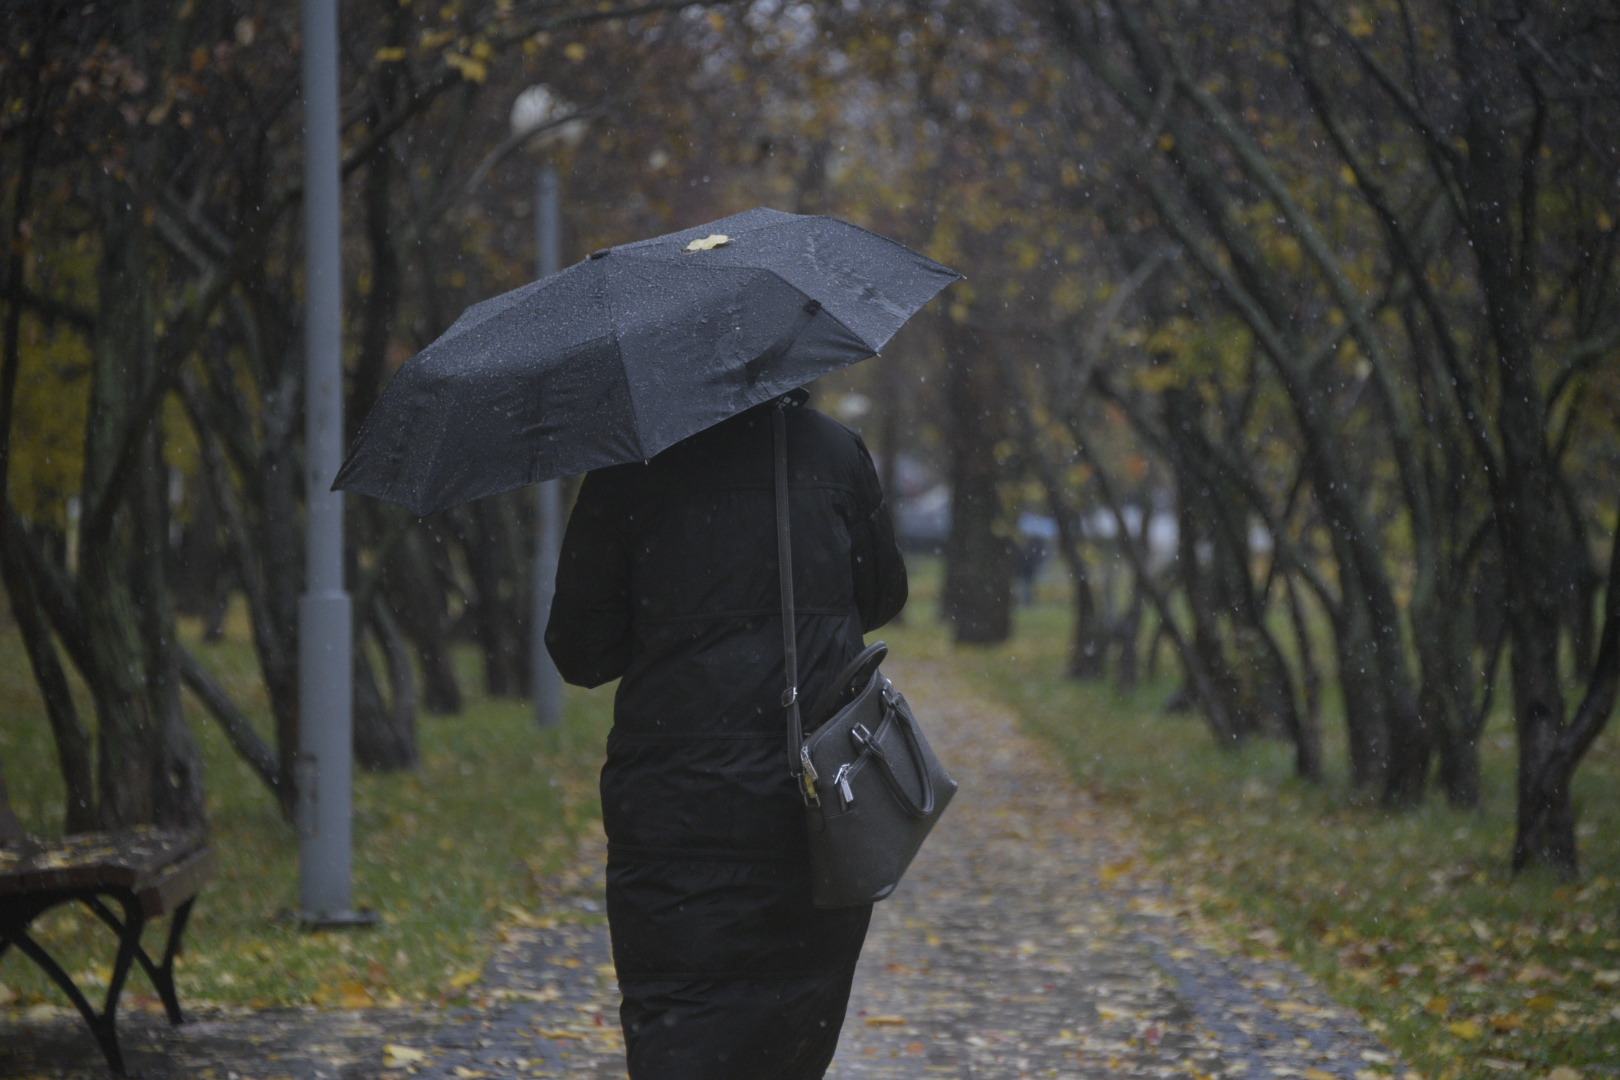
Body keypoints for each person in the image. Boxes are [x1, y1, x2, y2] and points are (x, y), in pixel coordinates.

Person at [545, 389, 909, 1080]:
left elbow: (580, 649)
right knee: (790, 1022)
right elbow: (883, 596)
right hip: (808, 802)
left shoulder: (628, 470)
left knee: (674, 1021)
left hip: (671, 809)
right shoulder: (830, 453)